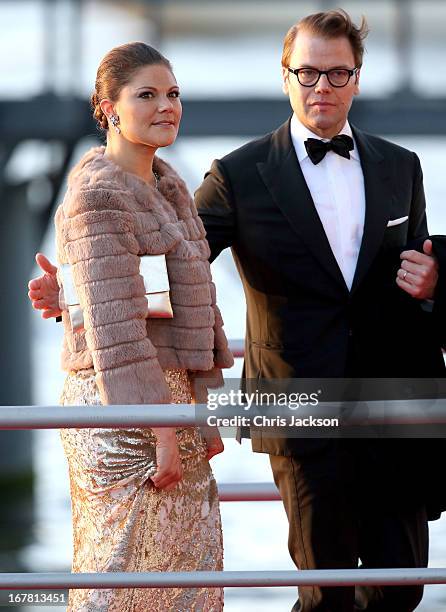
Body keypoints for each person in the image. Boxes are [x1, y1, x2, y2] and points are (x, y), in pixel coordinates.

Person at [29, 11, 445, 612]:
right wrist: (69, 293)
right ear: (285, 76)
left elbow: (423, 264)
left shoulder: (403, 165)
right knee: (324, 594)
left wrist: (435, 280)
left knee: (400, 590)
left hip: (393, 405)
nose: (321, 87)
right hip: (302, 410)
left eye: (336, 74)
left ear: (357, 78)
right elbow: (169, 262)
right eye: (307, 72)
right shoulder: (239, 175)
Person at [29, 42, 234, 611]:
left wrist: (201, 414)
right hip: (128, 416)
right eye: (146, 95)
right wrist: (160, 432)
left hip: (171, 412)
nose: (165, 106)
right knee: (121, 581)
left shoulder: (170, 191)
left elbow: (147, 293)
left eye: (173, 94)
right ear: (109, 107)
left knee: (186, 582)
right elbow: (119, 334)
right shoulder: (98, 195)